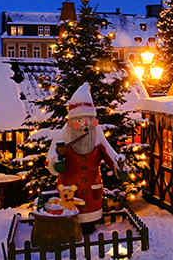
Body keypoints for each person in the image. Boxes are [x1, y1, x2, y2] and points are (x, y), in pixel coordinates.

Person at [47, 83, 127, 234]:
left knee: (90, 226)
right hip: (69, 188)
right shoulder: (62, 136)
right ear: (70, 122)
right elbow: (51, 159)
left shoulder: (97, 134)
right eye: (80, 121)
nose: (86, 125)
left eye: (90, 120)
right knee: (71, 220)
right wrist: (56, 162)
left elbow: (110, 154)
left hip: (92, 189)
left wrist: (119, 168)